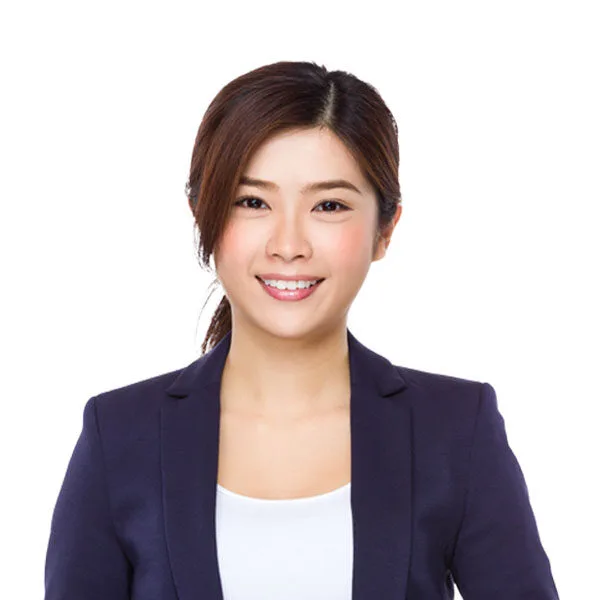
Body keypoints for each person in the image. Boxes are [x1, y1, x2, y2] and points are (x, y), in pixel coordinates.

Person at [44, 60, 560, 599]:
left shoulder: (455, 430)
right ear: (203, 215)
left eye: (329, 205)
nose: (288, 245)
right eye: (252, 202)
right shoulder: (118, 436)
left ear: (385, 229)